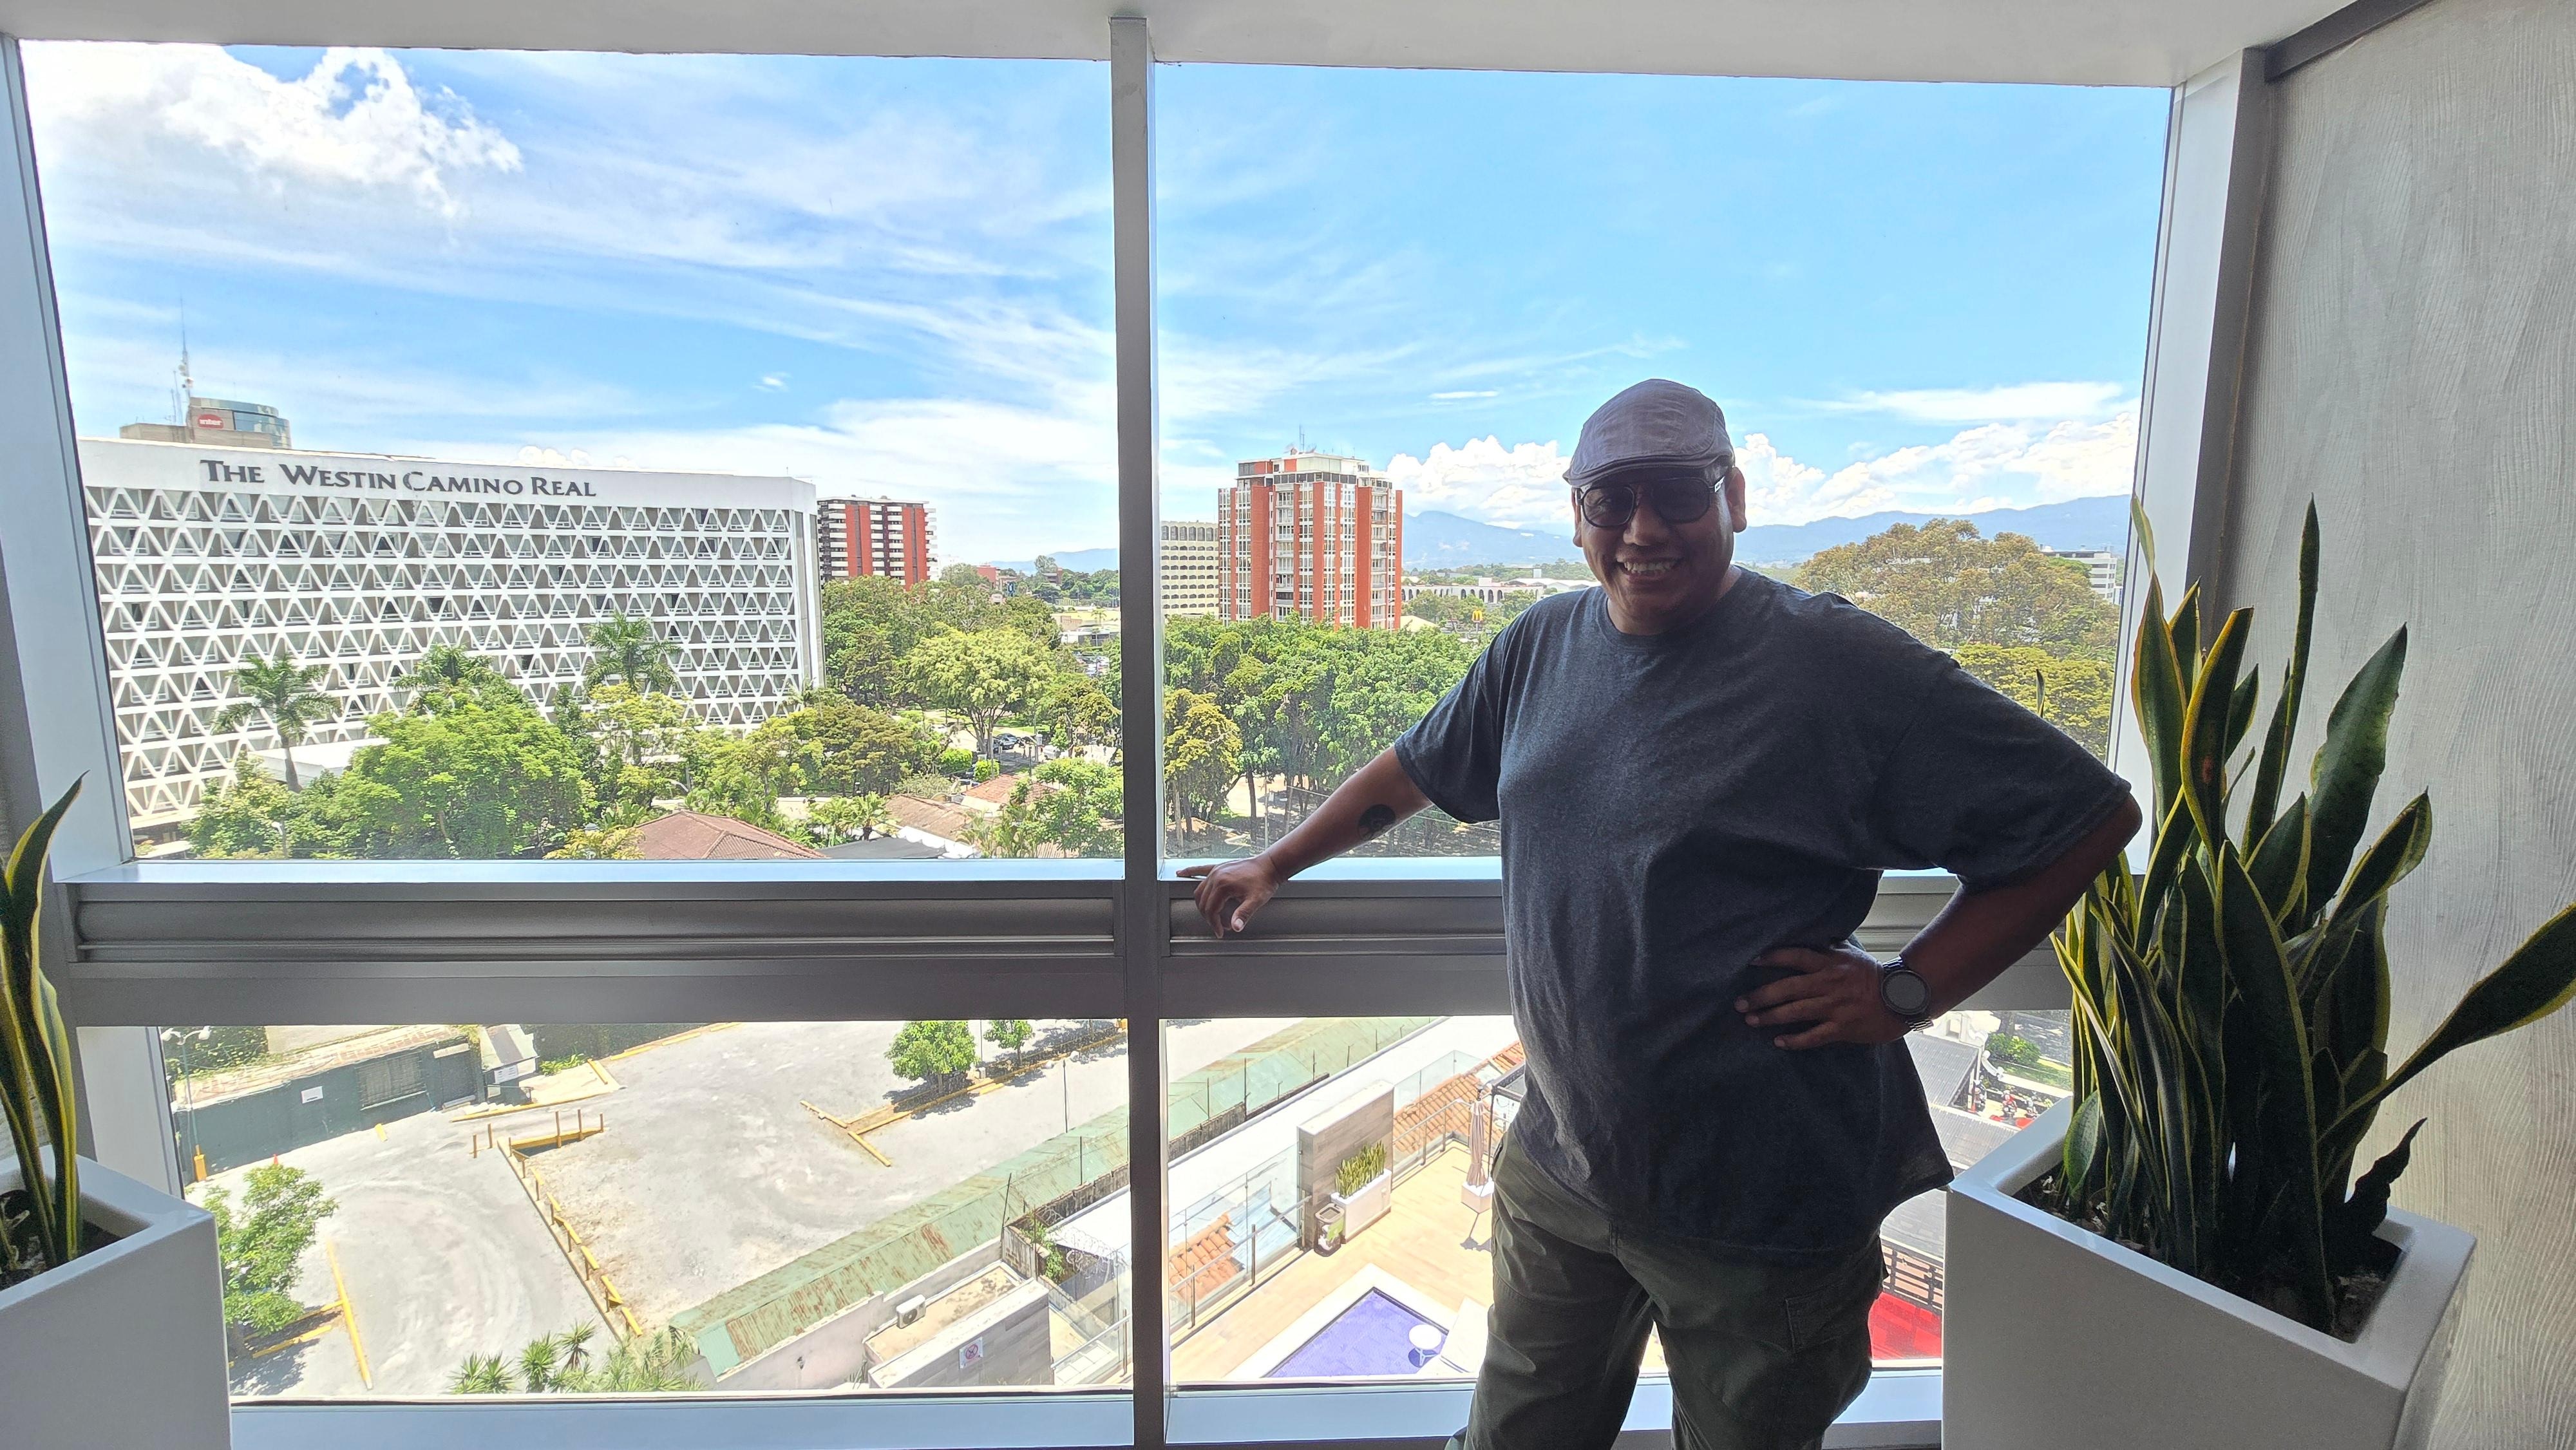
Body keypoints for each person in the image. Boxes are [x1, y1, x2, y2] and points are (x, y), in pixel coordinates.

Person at [1181, 379, 2141, 1450]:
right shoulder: (1539, 646)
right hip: (1565, 1165)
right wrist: (1277, 860)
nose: (1643, 529)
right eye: (1611, 498)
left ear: (1736, 496)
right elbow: (1415, 768)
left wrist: (1905, 991)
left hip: (1762, 1208)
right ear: (1576, 513)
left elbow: (2086, 819)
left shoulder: (1841, 668)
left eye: (1679, 493)